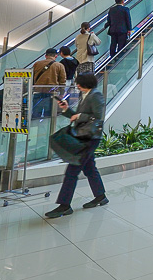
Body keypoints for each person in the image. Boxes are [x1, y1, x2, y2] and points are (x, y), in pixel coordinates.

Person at [45, 73, 107, 218]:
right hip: (84, 136)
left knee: (72, 171)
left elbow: (98, 117)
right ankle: (101, 196)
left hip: (90, 138)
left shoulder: (96, 95)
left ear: (87, 83)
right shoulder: (85, 95)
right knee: (90, 168)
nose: (77, 85)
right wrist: (67, 109)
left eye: (79, 83)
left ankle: (64, 205)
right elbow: (79, 117)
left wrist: (78, 116)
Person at [32, 48, 66, 117]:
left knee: (36, 114)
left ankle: (35, 123)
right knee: (49, 115)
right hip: (52, 93)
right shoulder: (59, 65)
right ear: (56, 56)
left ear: (45, 56)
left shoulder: (37, 64)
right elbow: (62, 81)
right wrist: (62, 93)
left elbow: (32, 78)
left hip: (38, 91)